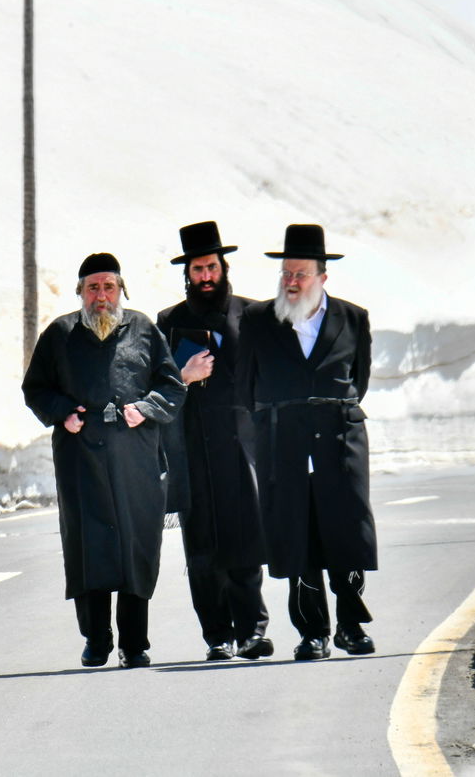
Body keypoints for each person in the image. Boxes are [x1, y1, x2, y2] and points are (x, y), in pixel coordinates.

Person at [22, 253, 186, 669]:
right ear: (80, 291)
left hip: (135, 457)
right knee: (88, 546)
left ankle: (134, 643)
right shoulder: (60, 333)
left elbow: (171, 386)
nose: (101, 296)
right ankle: (96, 640)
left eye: (108, 287)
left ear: (121, 290)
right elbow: (35, 388)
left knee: (136, 545)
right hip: (81, 456)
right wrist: (63, 413)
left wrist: (145, 409)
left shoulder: (144, 329)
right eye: (92, 287)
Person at [237, 225, 378, 661]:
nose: (291, 281)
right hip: (283, 443)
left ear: (322, 276)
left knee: (346, 530)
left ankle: (351, 626)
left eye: (300, 273)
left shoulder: (353, 318)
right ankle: (312, 632)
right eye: (285, 273)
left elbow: (361, 379)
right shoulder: (259, 320)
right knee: (296, 534)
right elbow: (245, 386)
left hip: (340, 440)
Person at [155, 221, 272, 661]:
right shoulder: (168, 322)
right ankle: (217, 637)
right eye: (197, 269)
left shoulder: (254, 314)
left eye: (211, 267)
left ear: (224, 268)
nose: (205, 276)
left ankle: (253, 632)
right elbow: (158, 387)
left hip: (242, 448)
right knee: (201, 548)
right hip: (192, 447)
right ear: (187, 273)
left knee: (244, 541)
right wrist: (183, 379)